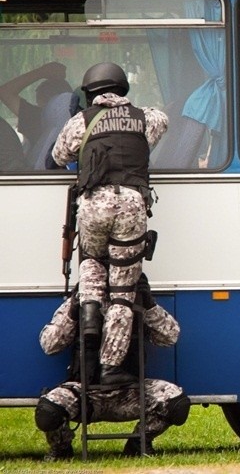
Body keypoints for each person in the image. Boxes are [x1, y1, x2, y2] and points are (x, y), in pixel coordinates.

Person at [51, 62, 169, 385]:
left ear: (90, 94)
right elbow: (162, 123)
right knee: (121, 293)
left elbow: (58, 157)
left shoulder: (80, 122)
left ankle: (88, 325)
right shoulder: (147, 118)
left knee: (90, 264)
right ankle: (110, 366)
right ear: (122, 90)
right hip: (131, 206)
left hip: (92, 207)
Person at [34, 274, 189, 461]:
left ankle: (139, 442)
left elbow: (170, 337)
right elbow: (49, 344)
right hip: (86, 392)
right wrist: (74, 310)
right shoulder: (81, 302)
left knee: (176, 404)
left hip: (130, 391)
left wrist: (149, 304)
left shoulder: (136, 301)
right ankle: (62, 447)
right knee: (48, 413)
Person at [0, 61, 75, 169]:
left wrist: (41, 72)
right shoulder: (83, 122)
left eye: (39, 101)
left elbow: (5, 92)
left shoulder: (36, 118)